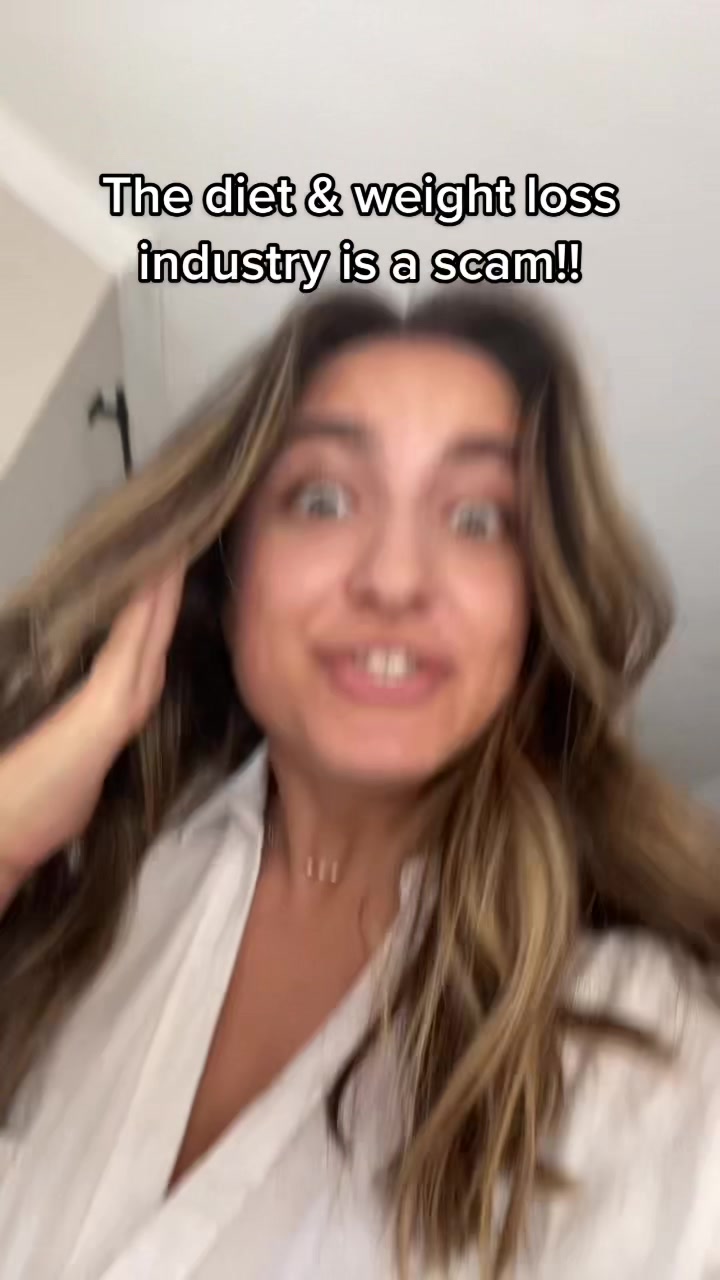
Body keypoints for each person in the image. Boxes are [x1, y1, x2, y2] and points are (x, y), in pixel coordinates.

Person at [0, 285, 719, 1280]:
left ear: (535, 614)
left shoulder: (644, 1043)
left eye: (479, 518)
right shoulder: (97, 883)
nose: (394, 579)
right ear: (223, 569)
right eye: (324, 499)